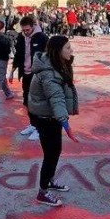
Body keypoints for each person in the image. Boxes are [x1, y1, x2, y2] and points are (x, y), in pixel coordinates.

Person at [27, 35, 80, 207]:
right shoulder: (48, 73)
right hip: (45, 118)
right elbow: (56, 98)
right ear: (57, 51)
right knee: (51, 154)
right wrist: (66, 125)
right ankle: (42, 193)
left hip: (50, 116)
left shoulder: (56, 64)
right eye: (67, 48)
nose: (71, 51)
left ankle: (48, 181)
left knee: (55, 151)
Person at [11, 16, 48, 140]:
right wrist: (12, 71)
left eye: (27, 30)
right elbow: (18, 55)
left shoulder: (42, 38)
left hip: (37, 75)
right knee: (27, 101)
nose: (26, 32)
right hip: (25, 74)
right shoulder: (22, 37)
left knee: (37, 102)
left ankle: (40, 128)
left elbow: (49, 56)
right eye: (23, 30)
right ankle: (33, 124)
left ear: (33, 26)